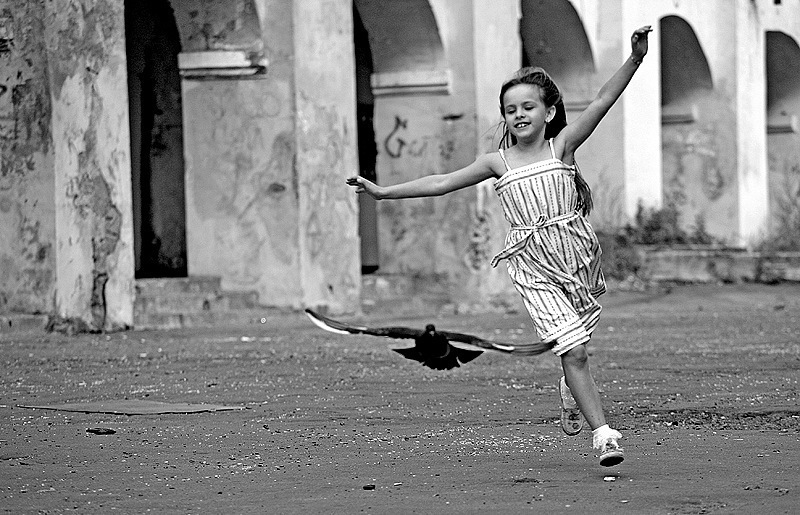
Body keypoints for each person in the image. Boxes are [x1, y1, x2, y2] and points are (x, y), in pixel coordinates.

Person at [347, 26, 652, 467]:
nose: (518, 115)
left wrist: (635, 58)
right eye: (510, 110)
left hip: (578, 259)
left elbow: (603, 99)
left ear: (549, 112)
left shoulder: (562, 146)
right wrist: (383, 193)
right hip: (533, 266)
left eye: (528, 106)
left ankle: (570, 384)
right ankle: (604, 435)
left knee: (577, 344)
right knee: (575, 350)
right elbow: (442, 181)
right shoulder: (497, 162)